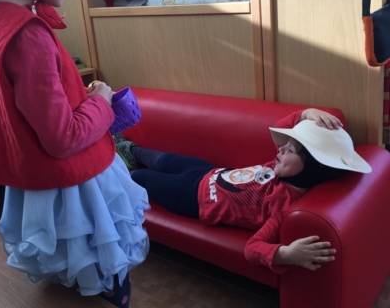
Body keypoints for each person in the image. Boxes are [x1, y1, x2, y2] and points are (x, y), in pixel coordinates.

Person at [0, 0, 149, 307]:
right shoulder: (27, 35)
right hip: (75, 184)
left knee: (69, 265)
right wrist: (100, 102)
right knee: (103, 263)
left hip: (39, 184)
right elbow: (62, 138)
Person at [114, 108, 372, 273]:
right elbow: (282, 125)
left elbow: (253, 248)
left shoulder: (283, 209)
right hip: (210, 172)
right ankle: (130, 150)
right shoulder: (283, 167)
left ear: (311, 168)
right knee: (165, 159)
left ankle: (115, 172)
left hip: (193, 198)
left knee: (141, 177)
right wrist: (306, 114)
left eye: (290, 150)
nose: (281, 149)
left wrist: (287, 253)